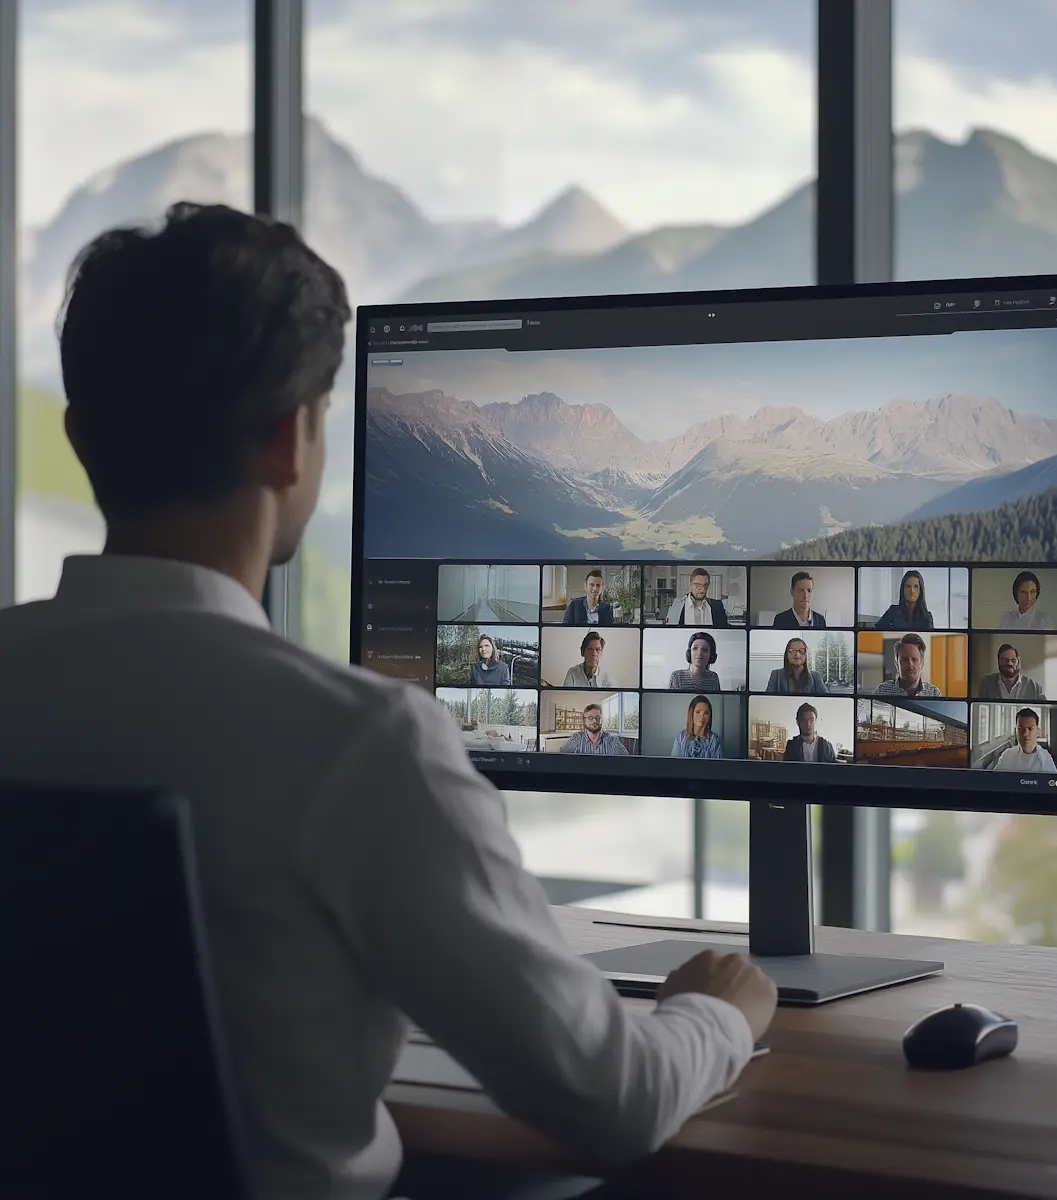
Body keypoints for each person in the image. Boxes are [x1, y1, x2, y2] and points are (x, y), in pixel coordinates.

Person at [0, 204, 778, 1200]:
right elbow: (610, 1104)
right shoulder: (357, 743)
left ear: (79, 439)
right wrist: (718, 1010)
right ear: (294, 441)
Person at [873, 633, 943, 697]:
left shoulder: (934, 693)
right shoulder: (882, 691)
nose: (910, 664)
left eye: (914, 659)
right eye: (904, 660)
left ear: (922, 663)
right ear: (897, 665)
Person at [992, 708, 1057, 772]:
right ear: (1016, 731)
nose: (1025, 733)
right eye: (1020, 728)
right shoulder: (1007, 755)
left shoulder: (1045, 757)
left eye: (1030, 728)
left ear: (1038, 731)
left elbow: (1053, 781)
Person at [977, 644, 1046, 700]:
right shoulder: (986, 683)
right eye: (1005, 660)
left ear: (1018, 662)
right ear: (998, 661)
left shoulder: (1035, 688)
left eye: (1013, 660)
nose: (1009, 663)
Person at [665, 568, 730, 627]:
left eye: (705, 585)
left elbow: (724, 630)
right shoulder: (678, 604)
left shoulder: (717, 606)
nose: (702, 589)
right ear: (690, 585)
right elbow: (670, 629)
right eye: (698, 585)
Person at [558, 702, 629, 756]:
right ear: (584, 720)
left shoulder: (613, 741)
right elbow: (560, 759)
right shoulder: (576, 739)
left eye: (597, 718)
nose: (594, 721)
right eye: (590, 718)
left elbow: (627, 762)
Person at [764, 637, 828, 696]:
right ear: (787, 655)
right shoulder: (776, 675)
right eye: (792, 651)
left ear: (806, 654)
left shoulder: (816, 676)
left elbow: (827, 699)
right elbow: (768, 699)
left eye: (801, 651)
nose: (797, 654)